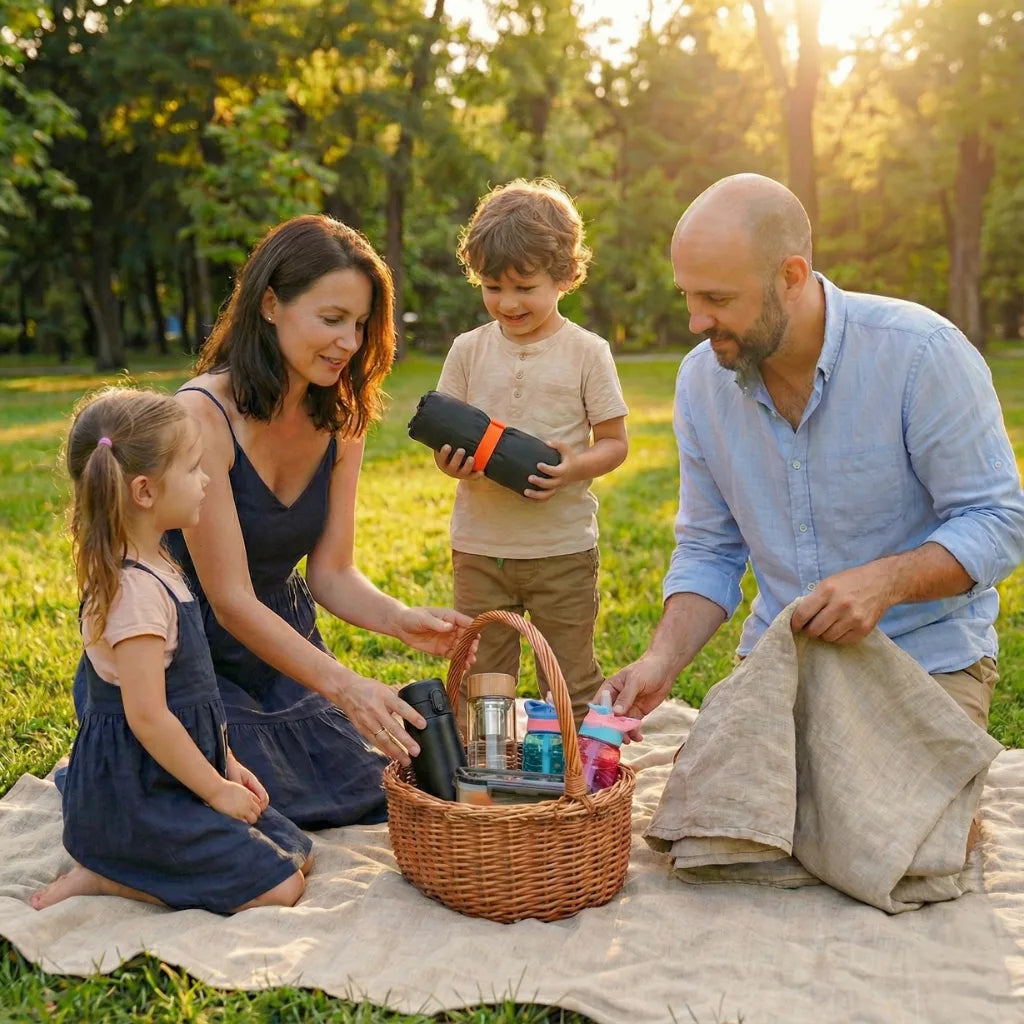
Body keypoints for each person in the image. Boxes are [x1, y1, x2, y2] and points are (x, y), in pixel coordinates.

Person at [608, 173, 1024, 732]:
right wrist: (660, 661)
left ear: (791, 277)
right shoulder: (700, 382)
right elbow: (709, 549)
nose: (696, 321)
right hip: (782, 662)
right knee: (715, 817)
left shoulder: (922, 353)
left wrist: (885, 582)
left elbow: (999, 521)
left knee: (874, 821)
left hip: (926, 660)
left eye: (718, 299)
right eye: (689, 296)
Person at [163, 215, 472, 830]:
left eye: (360, 325)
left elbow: (331, 573)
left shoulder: (342, 418)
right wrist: (346, 686)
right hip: (189, 645)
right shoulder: (200, 416)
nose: (350, 343)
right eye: (332, 320)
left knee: (369, 786)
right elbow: (228, 601)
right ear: (271, 304)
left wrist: (401, 620)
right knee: (246, 800)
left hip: (284, 650)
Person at [34, 388, 312, 913]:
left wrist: (226, 764)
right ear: (144, 491)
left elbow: (194, 699)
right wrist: (214, 790)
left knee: (296, 855)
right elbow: (148, 717)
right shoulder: (133, 596)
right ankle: (108, 873)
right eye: (192, 469)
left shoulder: (161, 564)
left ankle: (135, 858)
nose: (207, 480)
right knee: (281, 888)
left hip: (179, 776)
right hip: (139, 796)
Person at [433, 178, 629, 724]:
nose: (507, 303)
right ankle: (488, 779)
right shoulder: (468, 350)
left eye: (525, 286)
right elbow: (444, 437)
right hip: (481, 548)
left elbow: (614, 444)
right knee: (482, 678)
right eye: (493, 287)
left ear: (565, 276)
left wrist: (573, 468)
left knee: (568, 675)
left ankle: (580, 780)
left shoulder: (587, 352)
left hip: (561, 550)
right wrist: (448, 461)